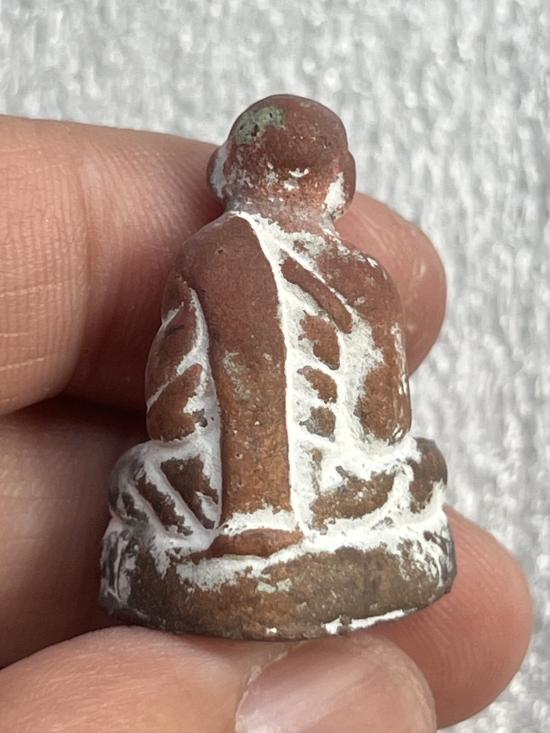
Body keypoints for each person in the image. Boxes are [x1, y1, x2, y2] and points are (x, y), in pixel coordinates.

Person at [0, 115, 533, 732]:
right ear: (340, 182)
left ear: (227, 172)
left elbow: (174, 407)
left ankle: (236, 540)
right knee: (419, 471)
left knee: (133, 479)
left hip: (217, 507)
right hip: (349, 496)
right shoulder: (365, 277)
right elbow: (384, 424)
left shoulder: (206, 257)